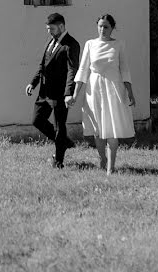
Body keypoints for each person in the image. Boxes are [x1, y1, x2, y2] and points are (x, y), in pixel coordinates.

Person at [66, 13, 135, 175]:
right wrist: (75, 95)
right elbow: (82, 70)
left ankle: (111, 167)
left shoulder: (119, 45)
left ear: (112, 28)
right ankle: (102, 158)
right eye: (100, 26)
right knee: (98, 129)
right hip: (94, 90)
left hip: (114, 90)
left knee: (112, 129)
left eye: (106, 27)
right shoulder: (90, 44)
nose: (102, 29)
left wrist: (130, 92)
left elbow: (124, 69)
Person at [25, 13, 80, 168]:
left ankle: (58, 161)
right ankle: (64, 141)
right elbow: (42, 66)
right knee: (37, 120)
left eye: (52, 29)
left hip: (60, 94)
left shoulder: (71, 44)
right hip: (44, 92)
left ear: (61, 26)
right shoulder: (50, 42)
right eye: (47, 29)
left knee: (59, 126)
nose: (49, 32)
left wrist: (69, 93)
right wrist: (33, 83)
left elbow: (72, 70)